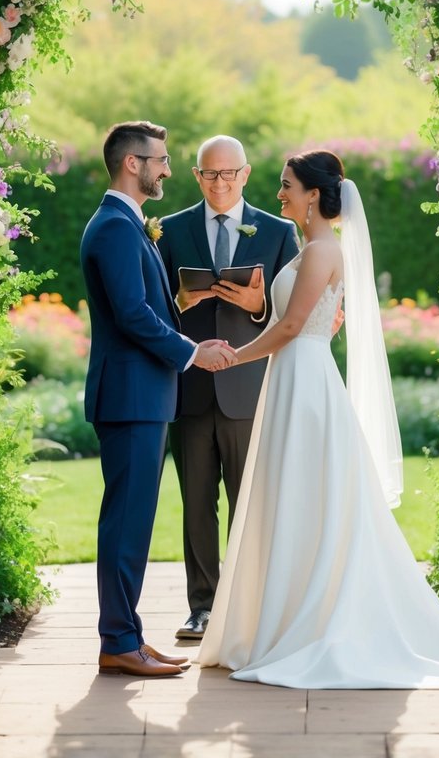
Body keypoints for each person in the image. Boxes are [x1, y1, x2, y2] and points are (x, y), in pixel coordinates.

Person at [198, 149, 439, 689]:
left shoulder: (322, 251)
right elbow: (306, 320)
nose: (280, 194)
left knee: (306, 491)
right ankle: (280, 618)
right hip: (294, 376)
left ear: (314, 194)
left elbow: (294, 326)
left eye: (287, 185)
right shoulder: (309, 249)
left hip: (306, 381)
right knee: (290, 493)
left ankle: (307, 620)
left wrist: (234, 354)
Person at [80, 121, 235, 679]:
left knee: (134, 523)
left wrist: (184, 309)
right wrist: (193, 353)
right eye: (161, 160)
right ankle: (119, 642)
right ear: (132, 163)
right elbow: (132, 315)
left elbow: (147, 305)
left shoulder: (126, 224)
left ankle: (129, 638)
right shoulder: (118, 228)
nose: (168, 169)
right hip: (130, 398)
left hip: (142, 397)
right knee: (125, 524)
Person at [158, 135, 298, 641]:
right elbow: (153, 308)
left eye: (228, 173)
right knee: (196, 503)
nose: (220, 183)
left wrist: (258, 306)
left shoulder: (280, 232)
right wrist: (181, 303)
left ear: (245, 173)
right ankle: (203, 607)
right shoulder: (167, 230)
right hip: (190, 386)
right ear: (196, 176)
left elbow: (294, 312)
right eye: (210, 174)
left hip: (248, 386)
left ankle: (252, 606)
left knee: (250, 504)